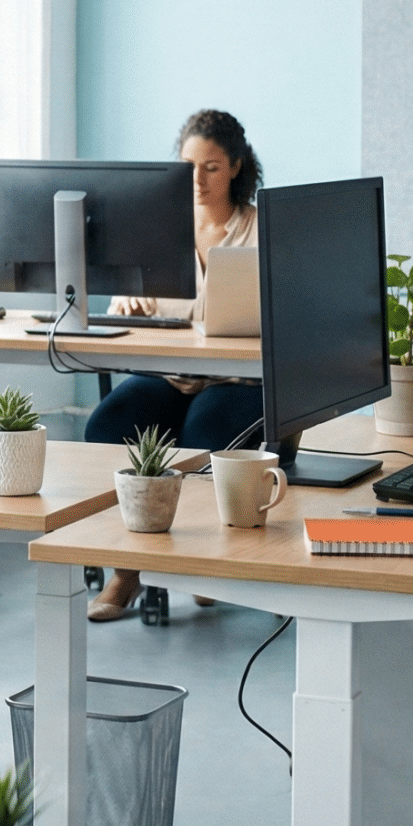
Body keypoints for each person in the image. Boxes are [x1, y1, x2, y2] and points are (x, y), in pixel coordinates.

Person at [80, 109, 264, 621]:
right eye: (189, 166)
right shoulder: (158, 229)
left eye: (211, 166)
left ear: (235, 167)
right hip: (168, 374)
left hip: (236, 379)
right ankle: (127, 570)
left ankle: (204, 566)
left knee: (203, 435)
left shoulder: (259, 231)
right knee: (107, 427)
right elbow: (126, 305)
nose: (199, 180)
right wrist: (126, 305)